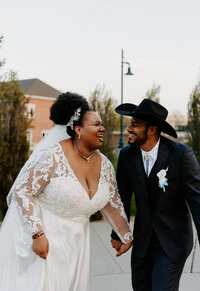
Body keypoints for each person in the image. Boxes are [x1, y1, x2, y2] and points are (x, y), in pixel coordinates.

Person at [0, 92, 133, 291]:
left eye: (102, 124)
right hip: (45, 241)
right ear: (78, 129)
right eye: (96, 124)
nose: (102, 128)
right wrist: (37, 234)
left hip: (78, 243)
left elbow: (112, 203)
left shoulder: (104, 164)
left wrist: (126, 236)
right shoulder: (52, 155)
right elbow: (22, 190)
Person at [111, 98, 200, 291]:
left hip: (172, 241)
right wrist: (118, 232)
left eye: (135, 124)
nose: (129, 129)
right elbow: (122, 197)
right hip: (143, 242)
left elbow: (197, 201)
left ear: (151, 129)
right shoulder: (127, 156)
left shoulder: (182, 155)